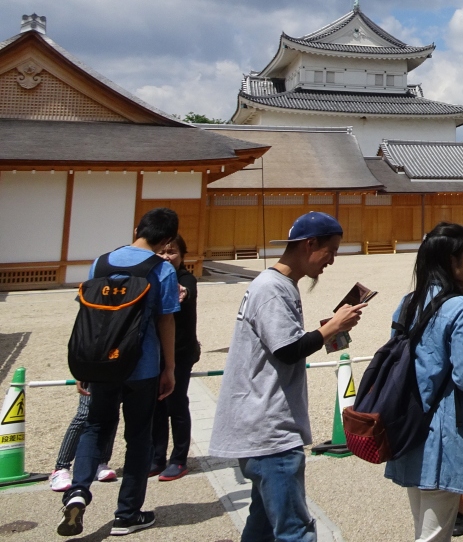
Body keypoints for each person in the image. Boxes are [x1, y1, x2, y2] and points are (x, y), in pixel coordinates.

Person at [208, 212, 366, 542]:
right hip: (270, 430)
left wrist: (327, 330)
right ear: (310, 244)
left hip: (260, 426)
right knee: (295, 531)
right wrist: (331, 327)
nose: (332, 261)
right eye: (331, 251)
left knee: (263, 523)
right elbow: (287, 349)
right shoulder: (272, 289)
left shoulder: (277, 285)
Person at [58, 208, 181, 538]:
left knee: (95, 426)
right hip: (141, 366)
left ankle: (78, 491)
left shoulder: (100, 263)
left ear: (137, 228)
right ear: (167, 239)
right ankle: (127, 514)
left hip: (100, 362)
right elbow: (165, 320)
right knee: (138, 436)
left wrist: (86, 364)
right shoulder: (162, 269)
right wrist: (168, 367)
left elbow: (88, 313)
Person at [384, 223, 463, 542]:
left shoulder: (408, 302)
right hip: (446, 434)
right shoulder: (459, 306)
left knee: (423, 528)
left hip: (409, 429)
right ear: (451, 261)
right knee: (434, 536)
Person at [151, 235, 200, 481]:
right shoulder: (152, 277)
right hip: (156, 352)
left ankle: (179, 458)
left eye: (171, 252)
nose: (166, 257)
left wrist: (181, 292)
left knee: (176, 403)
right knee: (156, 406)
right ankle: (156, 457)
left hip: (180, 352)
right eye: (161, 252)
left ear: (182, 256)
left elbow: (186, 292)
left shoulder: (185, 278)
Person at [48, 392, 117, 494]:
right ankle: (60, 468)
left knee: (110, 413)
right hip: (90, 377)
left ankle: (100, 463)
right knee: (84, 413)